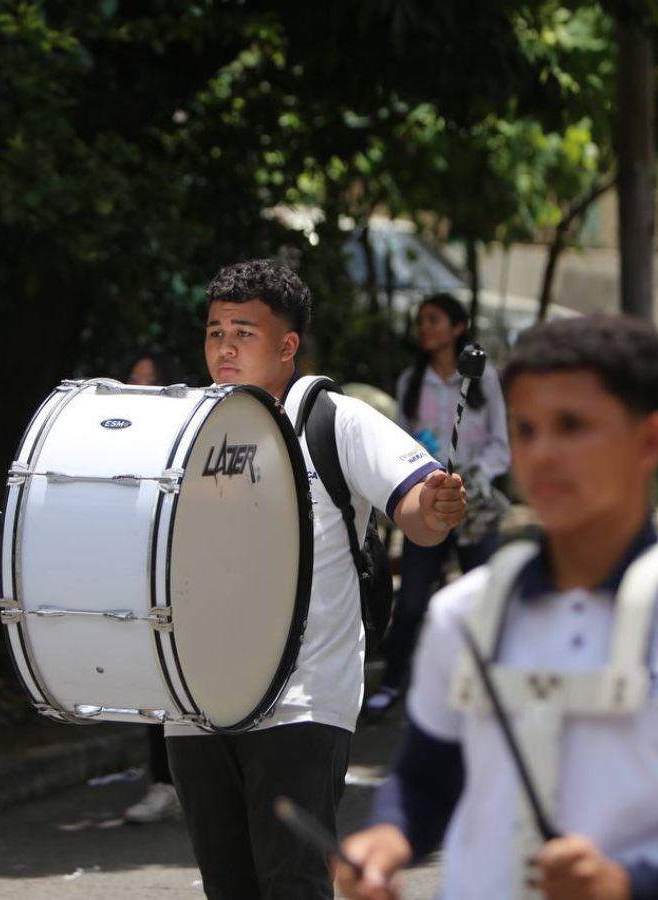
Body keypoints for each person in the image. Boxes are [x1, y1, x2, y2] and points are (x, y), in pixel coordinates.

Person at [334, 314, 658, 900]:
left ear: (651, 439)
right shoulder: (463, 614)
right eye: (525, 429)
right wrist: (388, 839)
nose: (542, 454)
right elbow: (423, 783)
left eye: (572, 426)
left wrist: (631, 886)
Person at [164, 258, 468, 899]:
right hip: (194, 705)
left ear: (287, 346)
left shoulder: (336, 420)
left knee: (294, 885)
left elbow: (414, 508)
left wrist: (434, 508)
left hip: (301, 703)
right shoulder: (180, 427)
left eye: (243, 332)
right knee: (229, 888)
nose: (223, 346)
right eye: (215, 330)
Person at [362, 293, 509, 720]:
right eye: (420, 320)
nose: (424, 327)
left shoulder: (484, 379)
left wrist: (479, 472)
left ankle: (487, 688)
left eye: (434, 319)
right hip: (430, 504)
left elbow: (501, 443)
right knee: (409, 603)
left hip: (475, 507)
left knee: (484, 599)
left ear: (458, 327)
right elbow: (401, 446)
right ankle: (393, 683)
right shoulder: (411, 381)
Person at [122, 349, 187, 824]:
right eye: (133, 380)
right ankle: (162, 783)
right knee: (151, 676)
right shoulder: (115, 438)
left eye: (152, 381)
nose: (141, 389)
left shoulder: (185, 435)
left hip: (184, 574)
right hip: (139, 574)